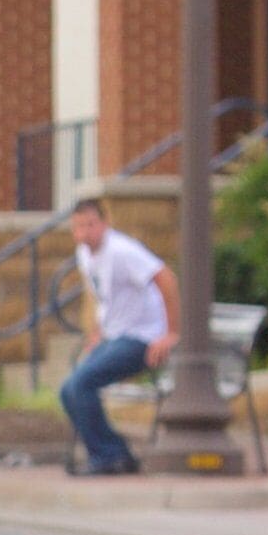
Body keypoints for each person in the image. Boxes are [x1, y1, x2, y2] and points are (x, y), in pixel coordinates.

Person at [59, 197, 177, 476]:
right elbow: (102, 296)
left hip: (143, 339)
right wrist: (98, 332)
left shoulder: (123, 251)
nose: (85, 232)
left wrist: (171, 333)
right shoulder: (84, 254)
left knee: (82, 384)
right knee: (68, 390)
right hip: (115, 336)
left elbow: (166, 277)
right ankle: (111, 453)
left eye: (91, 224)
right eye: (78, 226)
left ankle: (110, 456)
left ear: (105, 223)